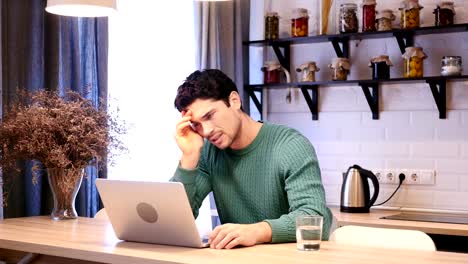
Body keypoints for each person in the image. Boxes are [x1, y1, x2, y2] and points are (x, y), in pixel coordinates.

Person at [170, 69, 332, 249]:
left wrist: (256, 231)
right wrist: (189, 156)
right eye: (197, 124)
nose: (206, 131)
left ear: (234, 101)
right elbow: (174, 222)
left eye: (209, 116)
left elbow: (315, 219)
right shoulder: (208, 152)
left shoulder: (290, 145)